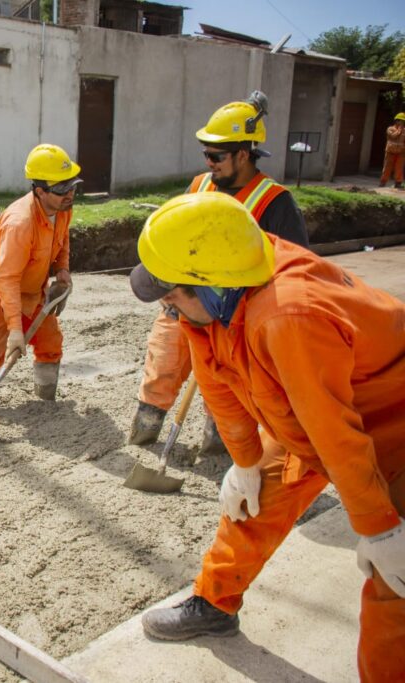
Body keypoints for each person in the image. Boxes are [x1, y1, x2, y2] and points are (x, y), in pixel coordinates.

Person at [129, 192, 404, 683]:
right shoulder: (225, 277)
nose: (167, 306)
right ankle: (214, 603)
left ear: (210, 286)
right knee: (249, 506)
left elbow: (334, 431)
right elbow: (216, 376)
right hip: (308, 415)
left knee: (397, 583)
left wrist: (378, 525)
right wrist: (246, 460)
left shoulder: (288, 315)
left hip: (390, 424)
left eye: (171, 294)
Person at [130, 91, 309, 454]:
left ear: (244, 154)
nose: (209, 162)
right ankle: (144, 433)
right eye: (206, 154)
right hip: (182, 301)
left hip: (234, 319)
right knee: (162, 364)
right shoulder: (199, 186)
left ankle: (219, 448)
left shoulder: (275, 203)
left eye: (216, 155)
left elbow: (292, 269)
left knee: (227, 389)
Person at [0, 143, 80, 401]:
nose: (70, 194)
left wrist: (62, 269)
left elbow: (63, 239)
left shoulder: (62, 209)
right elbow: (7, 278)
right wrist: (15, 330)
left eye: (72, 185)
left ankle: (46, 400)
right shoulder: (20, 224)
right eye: (62, 189)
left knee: (50, 341)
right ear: (40, 191)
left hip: (33, 286)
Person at [379, 112, 405, 190]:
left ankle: (398, 183)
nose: (401, 122)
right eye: (400, 120)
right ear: (396, 121)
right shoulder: (390, 129)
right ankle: (383, 182)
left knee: (399, 167)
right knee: (387, 167)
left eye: (403, 121)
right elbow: (393, 136)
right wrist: (399, 131)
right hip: (390, 151)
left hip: (401, 152)